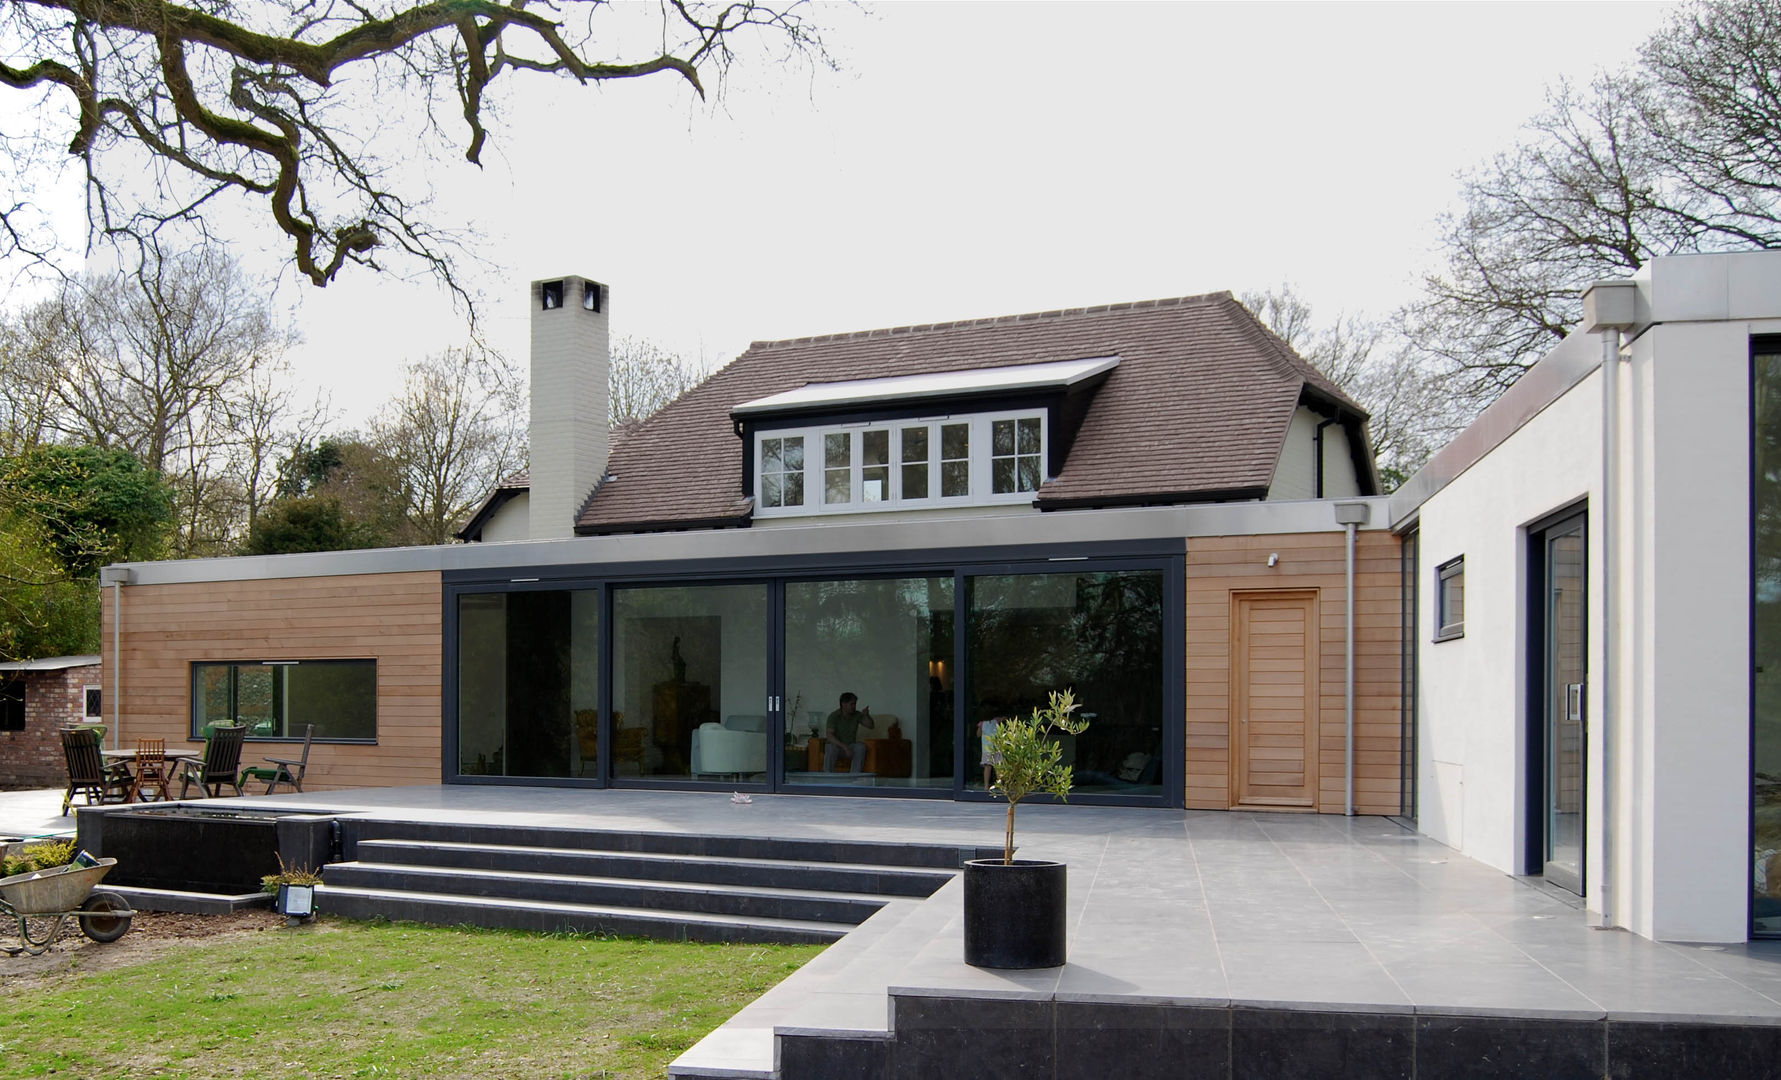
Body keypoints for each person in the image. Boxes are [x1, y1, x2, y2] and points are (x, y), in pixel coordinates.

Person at [823, 692, 875, 773]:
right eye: (852, 704)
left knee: (861, 747)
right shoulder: (834, 716)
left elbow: (871, 726)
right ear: (843, 704)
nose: (854, 706)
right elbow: (829, 735)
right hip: (838, 747)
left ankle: (854, 777)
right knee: (830, 748)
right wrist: (844, 747)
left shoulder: (856, 714)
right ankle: (827, 777)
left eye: (855, 704)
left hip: (851, 746)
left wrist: (866, 715)